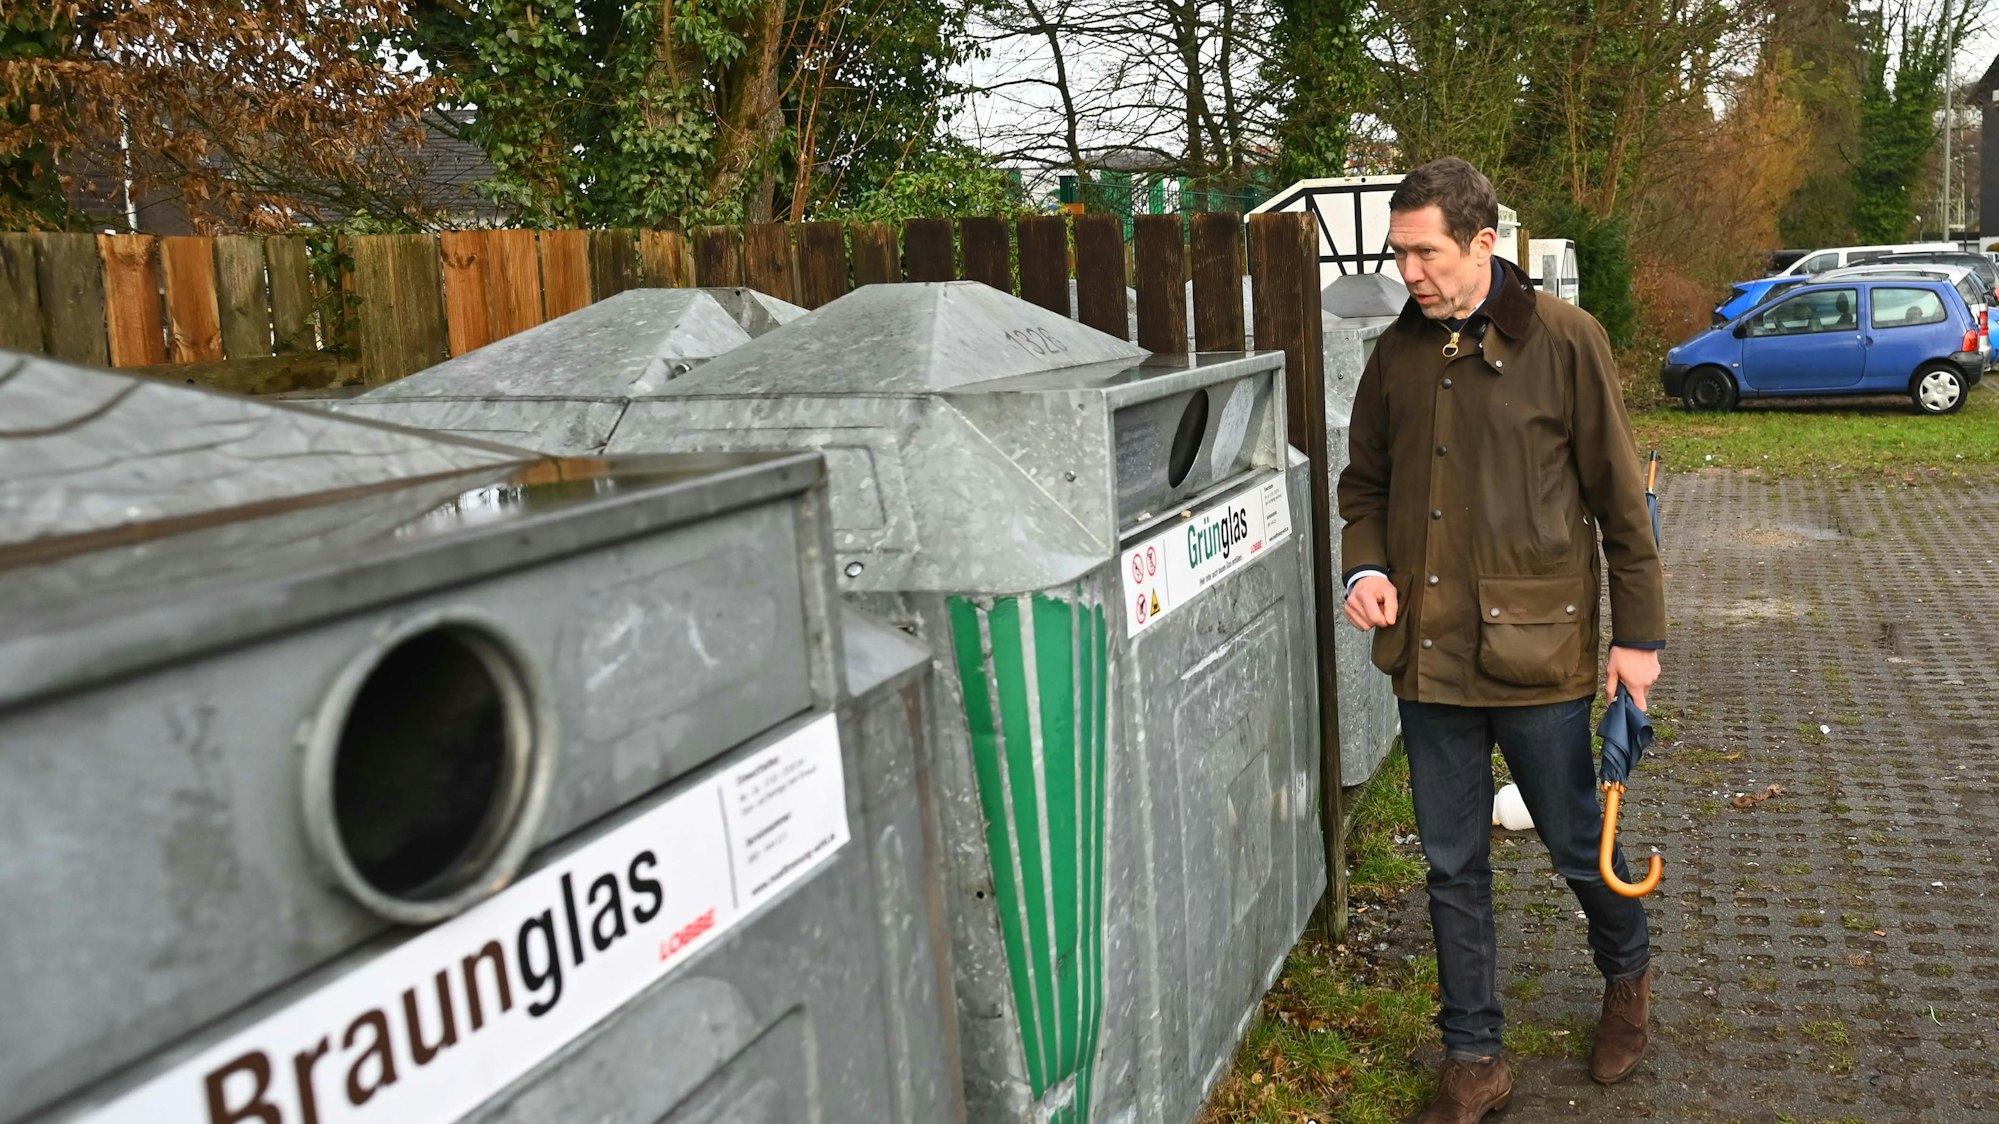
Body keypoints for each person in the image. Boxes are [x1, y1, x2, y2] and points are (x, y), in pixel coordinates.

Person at [1337, 157, 1667, 1124]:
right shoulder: (1394, 353)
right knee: (1451, 865)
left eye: (1424, 252)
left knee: (1572, 842)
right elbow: (1362, 486)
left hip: (1540, 655)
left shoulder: (1565, 341)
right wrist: (1364, 570)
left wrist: (1636, 641)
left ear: (1484, 243)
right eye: (1398, 254)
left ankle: (1627, 970)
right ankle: (1472, 1059)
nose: (1408, 273)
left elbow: (1618, 501)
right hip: (1428, 659)